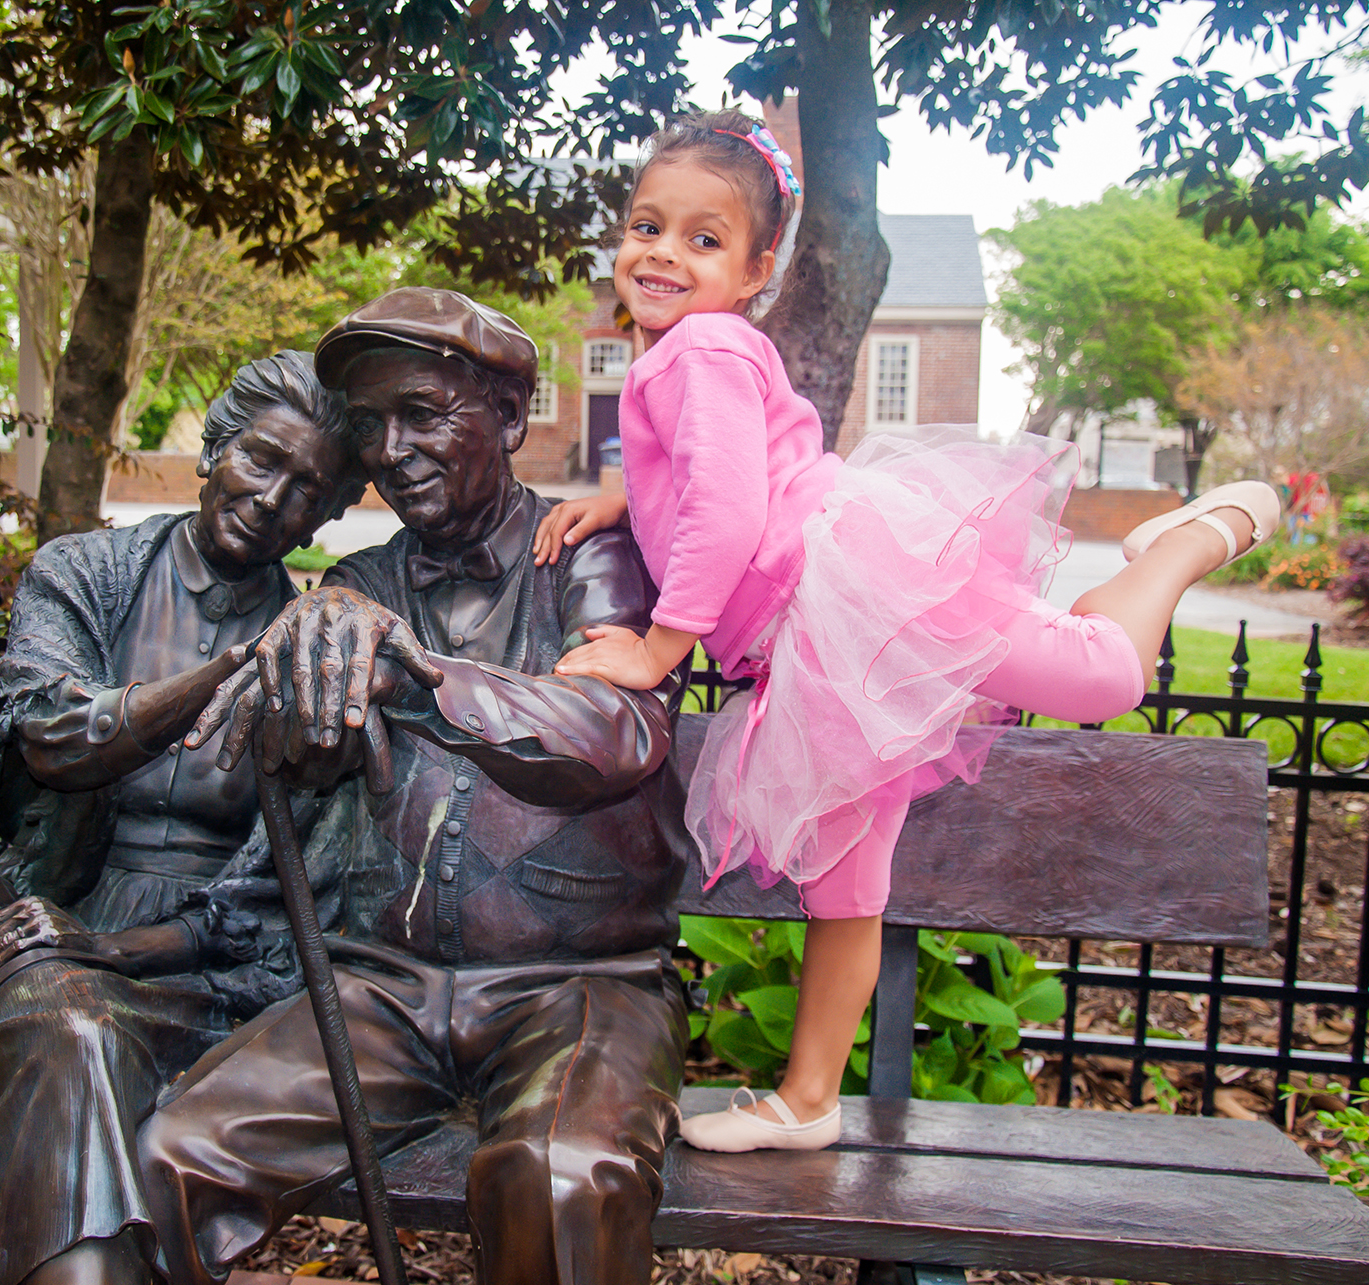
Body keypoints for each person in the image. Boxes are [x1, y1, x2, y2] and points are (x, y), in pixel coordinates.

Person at [533, 110, 1282, 1154]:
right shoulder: (689, 355)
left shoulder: (701, 344)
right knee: (848, 877)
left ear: (754, 274)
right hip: (816, 646)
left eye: (703, 240)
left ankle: (1189, 542)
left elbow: (727, 510)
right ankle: (808, 1099)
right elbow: (698, 474)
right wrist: (623, 495)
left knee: (1103, 673)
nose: (661, 251)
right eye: (646, 225)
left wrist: (661, 645)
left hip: (855, 595)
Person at [134, 286, 693, 1285]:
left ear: (511, 419)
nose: (390, 450)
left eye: (424, 415)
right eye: (368, 424)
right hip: (380, 989)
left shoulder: (595, 557)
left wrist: (426, 682)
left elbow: (617, 734)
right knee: (172, 1154)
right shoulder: (358, 586)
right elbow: (299, 768)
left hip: (579, 987)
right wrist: (293, 700)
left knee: (560, 1173)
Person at [0, 350, 362, 1285]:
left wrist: (114, 949)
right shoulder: (85, 573)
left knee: (86, 1043)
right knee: (73, 1035)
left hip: (207, 968)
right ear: (214, 450)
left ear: (328, 514)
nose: (275, 499)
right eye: (262, 460)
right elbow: (53, 734)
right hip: (36, 934)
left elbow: (287, 886)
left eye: (308, 488)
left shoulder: (312, 649)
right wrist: (221, 676)